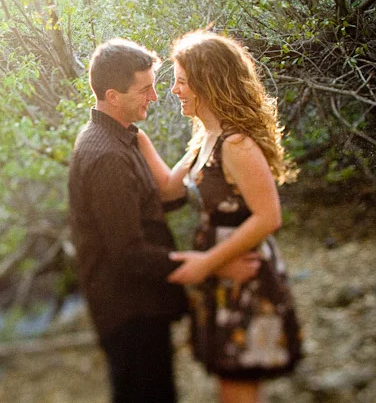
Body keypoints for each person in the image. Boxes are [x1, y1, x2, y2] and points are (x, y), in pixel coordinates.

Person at [67, 38, 259, 403]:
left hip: (139, 308)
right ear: (112, 95)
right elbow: (129, 254)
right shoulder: (106, 156)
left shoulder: (122, 139)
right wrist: (211, 267)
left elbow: (160, 200)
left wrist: (210, 134)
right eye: (145, 89)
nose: (154, 97)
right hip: (129, 313)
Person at [137, 29, 302, 403]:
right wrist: (131, 134)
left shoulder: (237, 144)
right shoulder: (205, 136)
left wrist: (207, 263)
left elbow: (269, 216)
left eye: (181, 82)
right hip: (221, 274)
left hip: (244, 277)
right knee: (228, 381)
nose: (174, 90)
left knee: (237, 386)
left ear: (207, 83)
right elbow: (168, 188)